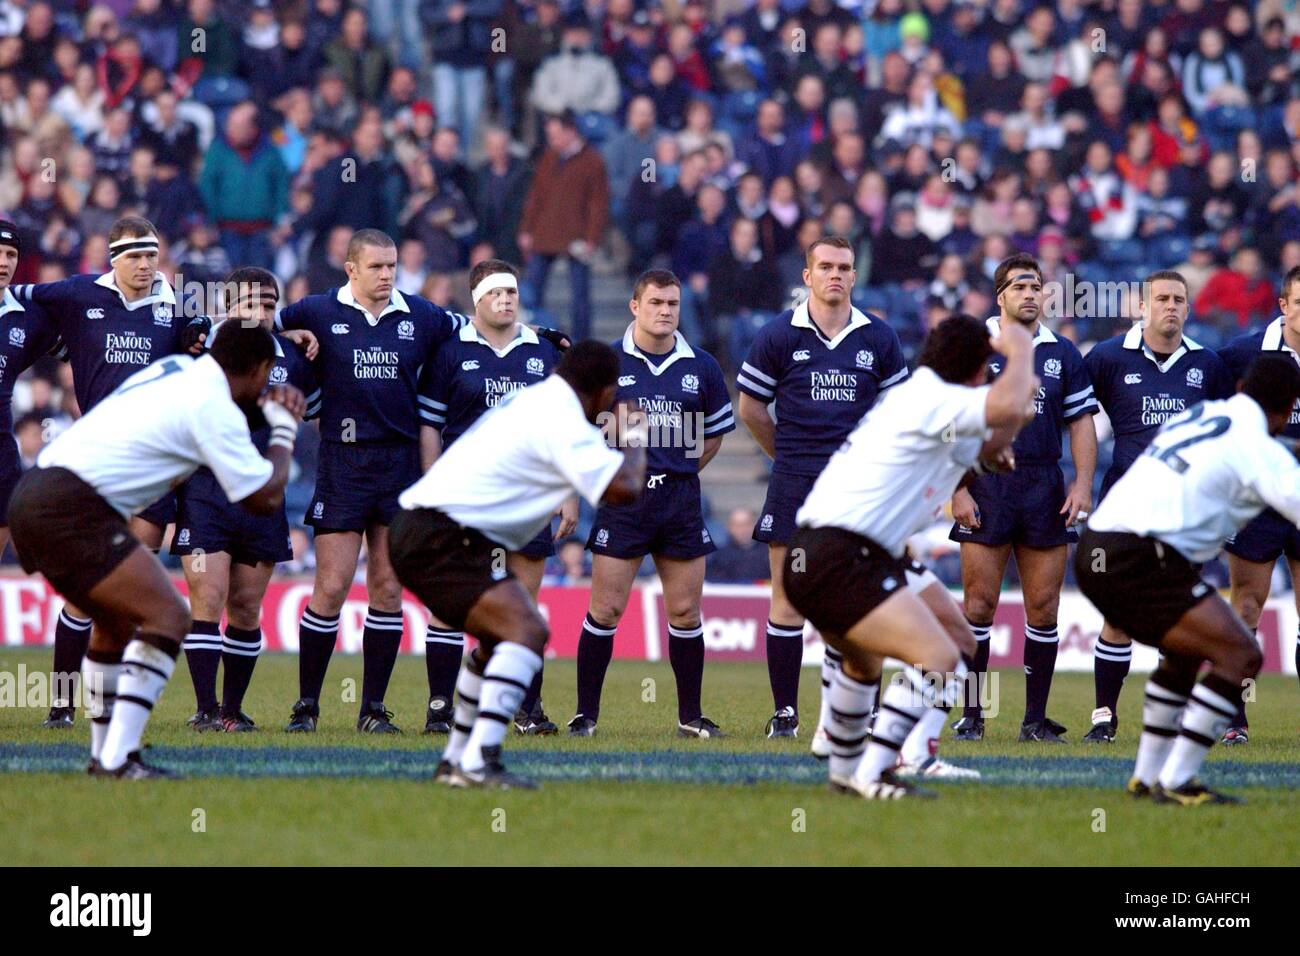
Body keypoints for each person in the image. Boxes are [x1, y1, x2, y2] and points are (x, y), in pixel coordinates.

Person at [8, 322, 304, 777]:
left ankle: (104, 755)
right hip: (72, 504)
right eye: (267, 376)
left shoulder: (177, 369)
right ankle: (119, 759)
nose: (267, 386)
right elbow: (261, 496)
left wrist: (263, 414)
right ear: (261, 367)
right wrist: (284, 433)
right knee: (169, 616)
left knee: (114, 624)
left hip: (40, 491)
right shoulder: (212, 406)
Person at [783, 315, 1037, 798]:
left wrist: (995, 447)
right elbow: (1006, 406)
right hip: (842, 553)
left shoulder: (925, 399)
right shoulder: (933, 399)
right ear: (978, 370)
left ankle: (847, 770)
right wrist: (1021, 349)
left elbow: (990, 439)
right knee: (939, 658)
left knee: (928, 645)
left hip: (844, 550)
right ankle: (874, 772)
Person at [389, 341, 647, 788]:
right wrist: (637, 433)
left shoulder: (538, 397)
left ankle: (454, 763)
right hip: (442, 535)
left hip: (433, 529)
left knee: (496, 642)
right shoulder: (563, 419)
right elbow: (624, 489)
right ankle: (480, 761)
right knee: (527, 633)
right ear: (604, 393)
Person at [13, 217, 212, 729]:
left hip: (152, 468)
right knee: (88, 592)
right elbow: (20, 294)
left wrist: (199, 334)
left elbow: (212, 342)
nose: (146, 266)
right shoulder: (78, 294)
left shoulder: (179, 306)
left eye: (152, 256)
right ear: (114, 260)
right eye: (136, 257)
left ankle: (109, 709)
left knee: (121, 591)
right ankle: (61, 703)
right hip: (94, 465)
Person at [1076, 354, 1300, 804]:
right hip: (1140, 558)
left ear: (1240, 387)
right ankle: (1178, 780)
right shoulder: (1260, 451)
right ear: (1287, 407)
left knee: (1181, 655)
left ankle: (1145, 778)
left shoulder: (1205, 413)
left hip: (1098, 546)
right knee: (1240, 654)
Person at [275, 229, 470, 734]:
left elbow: (474, 330)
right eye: (378, 267)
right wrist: (287, 336)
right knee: (332, 586)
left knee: (386, 588)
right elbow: (259, 324)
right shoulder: (316, 311)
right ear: (351, 269)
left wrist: (537, 338)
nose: (387, 275)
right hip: (343, 463)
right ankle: (307, 707)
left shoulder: (421, 316)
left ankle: (373, 710)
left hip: (401, 467)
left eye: (393, 266)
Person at [736, 235, 908, 740]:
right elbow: (750, 410)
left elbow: (898, 416)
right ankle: (786, 714)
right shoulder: (776, 336)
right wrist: (786, 457)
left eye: (845, 267)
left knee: (861, 603)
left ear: (855, 277)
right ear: (807, 276)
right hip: (795, 482)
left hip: (860, 492)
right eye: (826, 267)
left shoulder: (879, 337)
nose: (836, 275)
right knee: (787, 600)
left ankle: (860, 714)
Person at [569, 270, 734, 738]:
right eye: (657, 302)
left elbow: (716, 434)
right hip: (623, 502)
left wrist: (678, 472)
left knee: (685, 611)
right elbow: (575, 433)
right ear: (634, 306)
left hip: (680, 501)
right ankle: (585, 716)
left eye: (673, 304)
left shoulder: (700, 366)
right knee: (605, 609)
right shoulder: (605, 364)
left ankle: (689, 718)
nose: (665, 311)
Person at [948, 254, 1099, 743]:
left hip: (1043, 485)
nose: (1030, 294)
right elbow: (949, 421)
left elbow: (1081, 423)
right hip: (987, 483)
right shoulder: (975, 346)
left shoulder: (1063, 354)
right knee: (979, 603)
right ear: (1001, 297)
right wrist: (958, 488)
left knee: (1043, 608)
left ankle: (1034, 720)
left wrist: (1080, 484)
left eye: (1036, 286)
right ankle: (973, 715)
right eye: (1019, 287)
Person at [417, 258, 571, 735]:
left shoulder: (543, 352)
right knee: (449, 604)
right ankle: (441, 708)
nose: (505, 300)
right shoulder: (449, 352)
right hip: (466, 495)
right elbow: (429, 425)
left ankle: (528, 709)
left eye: (511, 293)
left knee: (523, 604)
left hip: (528, 494)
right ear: (476, 301)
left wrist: (567, 492)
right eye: (495, 294)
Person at [1080, 271, 1234, 741]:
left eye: (1178, 300)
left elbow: (1227, 434)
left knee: (1178, 615)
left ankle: (1169, 721)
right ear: (1143, 306)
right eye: (1162, 298)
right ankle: (1104, 717)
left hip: (1186, 512)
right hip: (1125, 509)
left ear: (1188, 309)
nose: (1170, 306)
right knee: (1117, 614)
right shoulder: (1106, 358)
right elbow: (1077, 414)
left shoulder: (1208, 366)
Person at [171, 268, 320, 732]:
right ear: (229, 306)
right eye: (251, 304)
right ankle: (204, 709)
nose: (261, 313)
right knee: (208, 598)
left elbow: (311, 411)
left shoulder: (292, 357)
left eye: (270, 306)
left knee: (247, 607)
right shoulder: (196, 346)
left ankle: (232, 711)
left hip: (262, 491)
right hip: (206, 489)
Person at [1214, 264, 1300, 743]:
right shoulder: (1241, 354)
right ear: (1284, 305)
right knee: (1246, 607)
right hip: (1255, 499)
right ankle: (1234, 720)